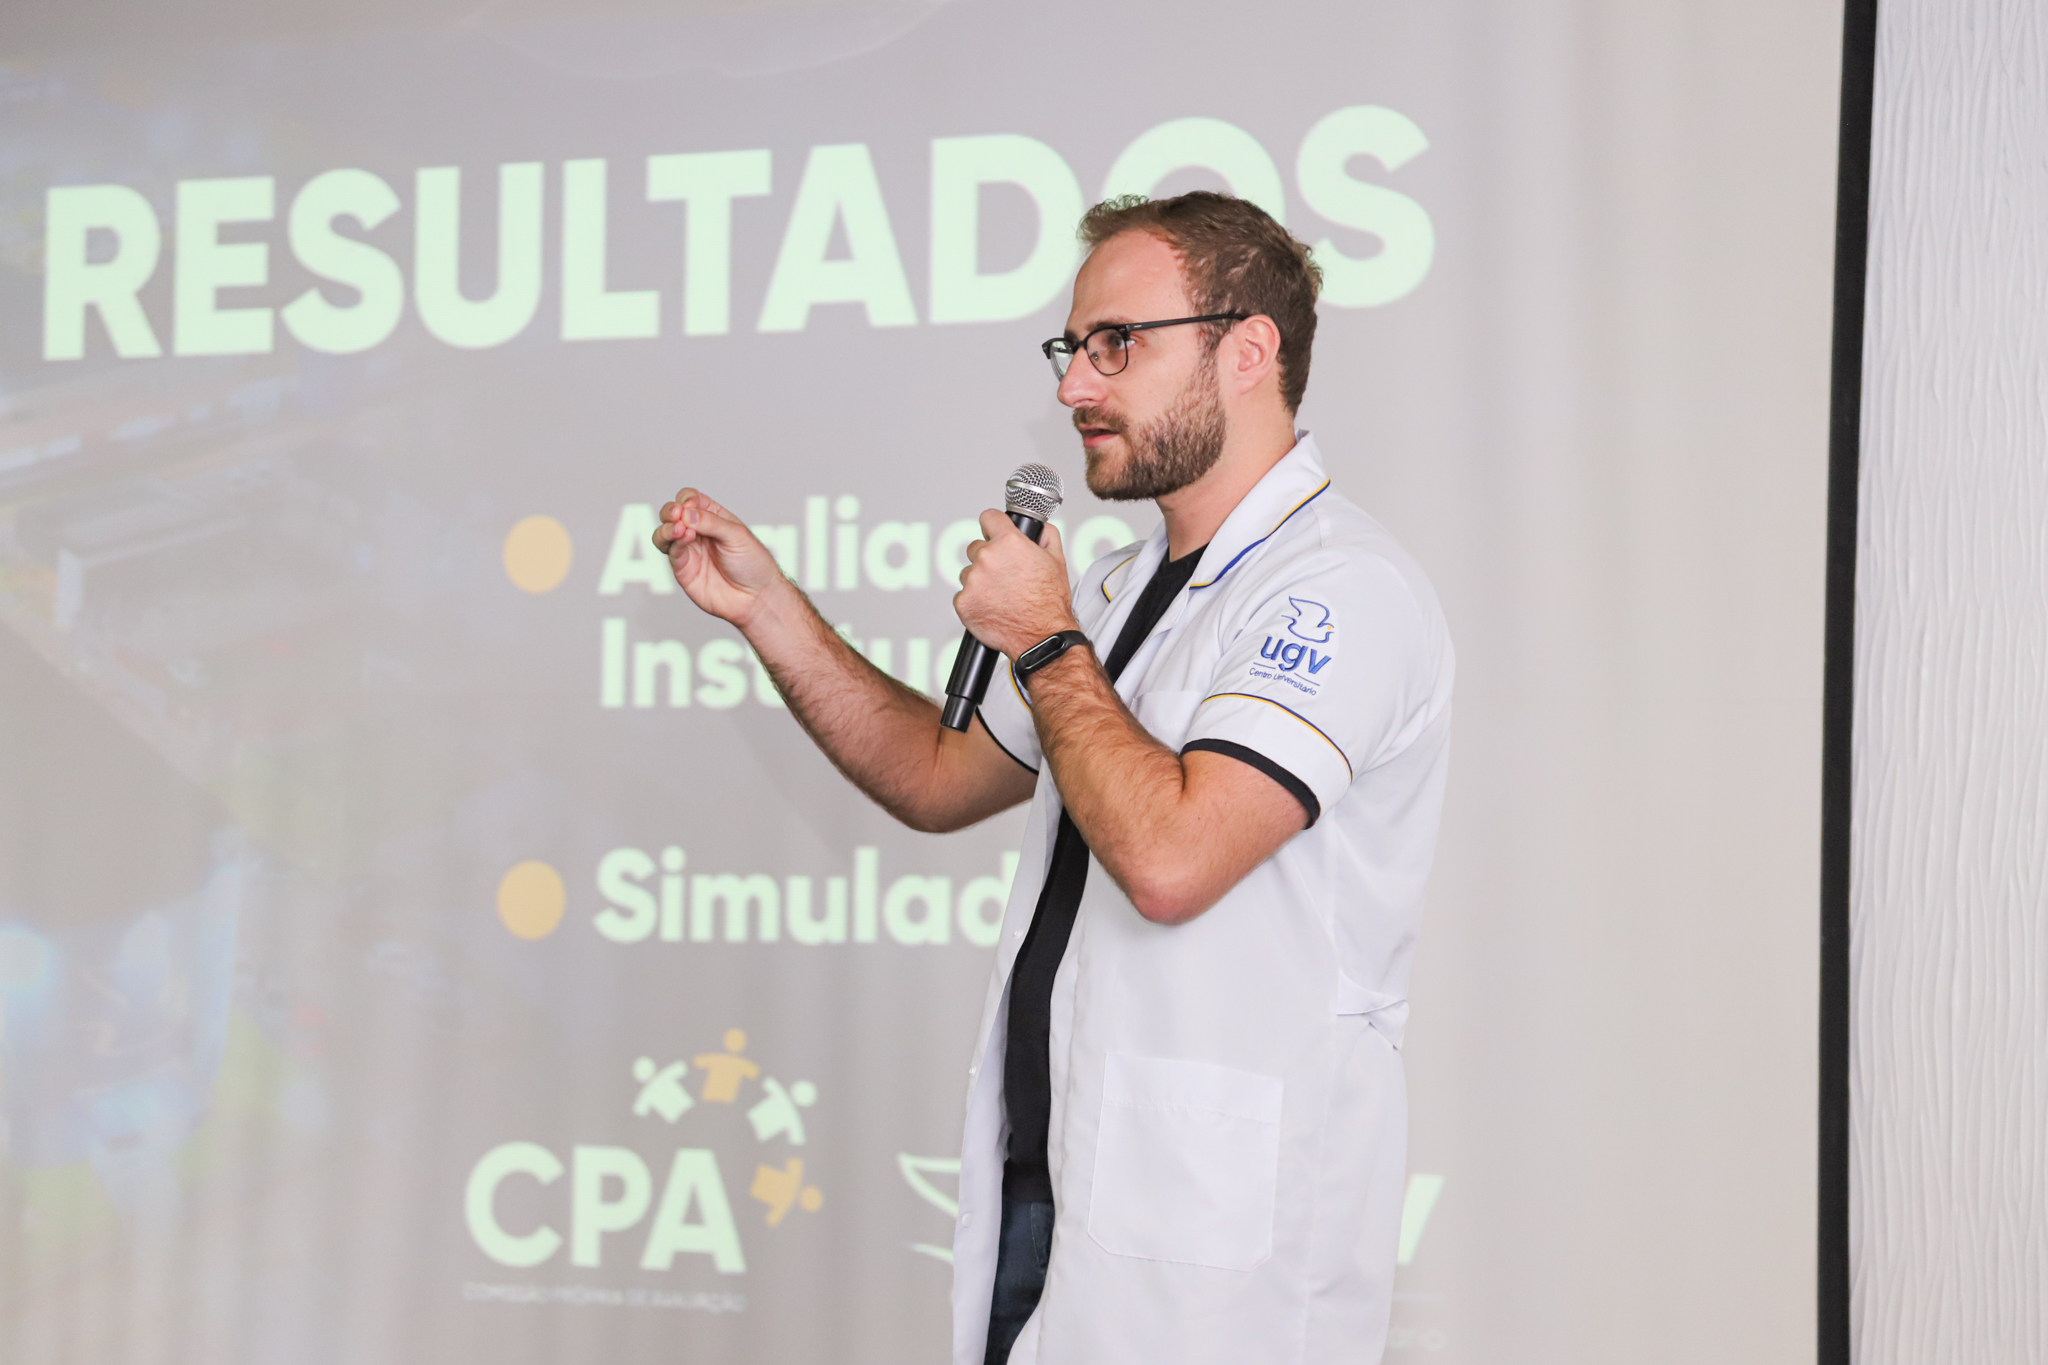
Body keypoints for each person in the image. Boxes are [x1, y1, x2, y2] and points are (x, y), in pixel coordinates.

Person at [653, 191, 1454, 1365]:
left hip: (1213, 1243)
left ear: (1247, 351)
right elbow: (935, 777)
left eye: (1115, 344)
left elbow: (1171, 861)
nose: (1075, 385)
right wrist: (769, 611)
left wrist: (1038, 636)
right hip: (1058, 1190)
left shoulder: (1338, 592)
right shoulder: (1124, 590)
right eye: (1071, 348)